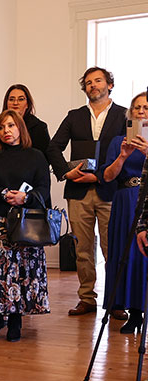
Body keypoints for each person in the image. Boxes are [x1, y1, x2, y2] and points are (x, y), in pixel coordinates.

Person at [47, 66, 128, 316]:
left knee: (111, 247)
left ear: (109, 85)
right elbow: (53, 148)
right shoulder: (74, 116)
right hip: (78, 191)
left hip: (111, 190)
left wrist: (102, 174)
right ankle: (87, 298)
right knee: (83, 249)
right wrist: (65, 172)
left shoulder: (125, 115)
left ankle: (116, 301)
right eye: (89, 83)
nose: (93, 85)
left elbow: (131, 153)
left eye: (98, 81)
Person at [0, 110, 51, 341]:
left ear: (20, 129)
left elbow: (44, 188)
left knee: (20, 273)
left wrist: (24, 198)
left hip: (25, 222)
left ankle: (16, 320)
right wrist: (3, 193)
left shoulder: (36, 156)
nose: (6, 131)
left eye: (11, 126)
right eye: (2, 127)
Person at [102, 92, 148, 332]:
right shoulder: (118, 140)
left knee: (143, 254)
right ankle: (133, 312)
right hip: (123, 200)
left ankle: (143, 308)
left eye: (146, 107)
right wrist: (123, 155)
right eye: (137, 107)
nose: (141, 111)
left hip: (146, 201)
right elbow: (108, 176)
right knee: (124, 254)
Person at [3, 84, 51, 156]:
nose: (15, 103)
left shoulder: (39, 127)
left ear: (27, 104)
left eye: (21, 99)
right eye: (11, 99)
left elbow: (45, 157)